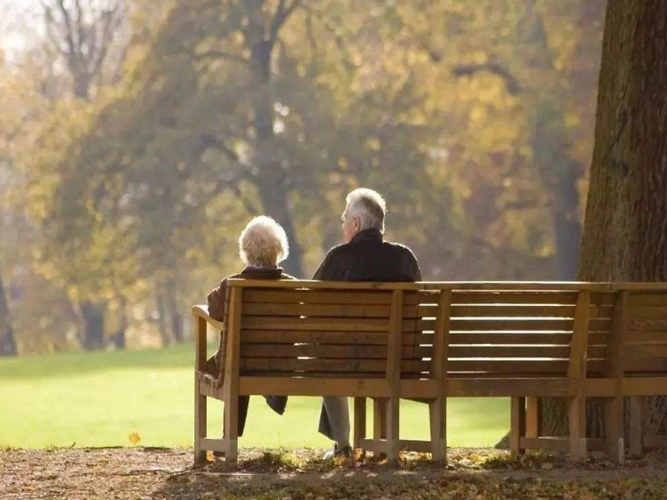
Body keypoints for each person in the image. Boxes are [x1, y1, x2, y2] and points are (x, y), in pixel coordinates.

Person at [312, 188, 422, 458]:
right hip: (399, 359)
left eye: (344, 219)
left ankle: (342, 445)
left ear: (356, 224)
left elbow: (310, 303)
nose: (343, 225)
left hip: (345, 362)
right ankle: (375, 443)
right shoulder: (404, 257)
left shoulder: (339, 257)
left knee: (328, 354)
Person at [205, 215, 295, 437]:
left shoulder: (232, 286)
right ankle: (272, 392)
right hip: (278, 365)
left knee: (234, 358)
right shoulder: (293, 288)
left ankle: (229, 438)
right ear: (279, 249)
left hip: (238, 363)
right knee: (245, 355)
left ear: (245, 250)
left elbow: (214, 311)